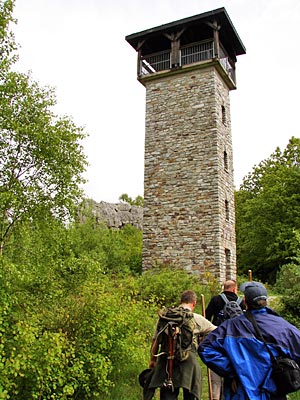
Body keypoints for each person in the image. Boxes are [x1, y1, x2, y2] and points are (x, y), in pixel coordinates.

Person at [198, 281, 300, 400]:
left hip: (241, 392)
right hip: (273, 392)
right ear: (266, 301)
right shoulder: (284, 328)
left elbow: (205, 348)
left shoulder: (231, 327)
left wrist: (234, 370)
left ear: (245, 302)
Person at [145, 290, 216, 400]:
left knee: (168, 394)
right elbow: (216, 332)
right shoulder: (195, 318)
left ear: (181, 301)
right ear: (194, 303)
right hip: (188, 361)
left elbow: (156, 340)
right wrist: (203, 341)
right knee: (191, 392)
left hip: (167, 361)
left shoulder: (165, 317)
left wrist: (153, 360)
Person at [205, 280, 246, 400]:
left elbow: (207, 317)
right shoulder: (241, 302)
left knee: (217, 369)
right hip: (235, 339)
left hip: (217, 338)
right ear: (234, 289)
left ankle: (215, 396)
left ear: (224, 288)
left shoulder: (215, 300)